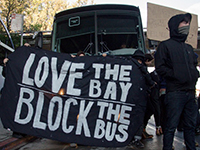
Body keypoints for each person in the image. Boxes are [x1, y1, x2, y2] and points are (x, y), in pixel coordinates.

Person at [155, 13, 199, 150]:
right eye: (184, 23)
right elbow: (160, 68)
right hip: (175, 92)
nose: (187, 26)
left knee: (190, 126)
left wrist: (195, 74)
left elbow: (193, 65)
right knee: (171, 126)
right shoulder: (165, 46)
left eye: (188, 23)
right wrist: (176, 75)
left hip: (190, 92)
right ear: (175, 26)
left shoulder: (189, 48)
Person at [130, 50, 156, 148]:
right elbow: (148, 80)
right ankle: (137, 138)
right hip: (140, 96)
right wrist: (152, 85)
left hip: (130, 96)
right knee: (140, 117)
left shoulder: (128, 66)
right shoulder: (141, 68)